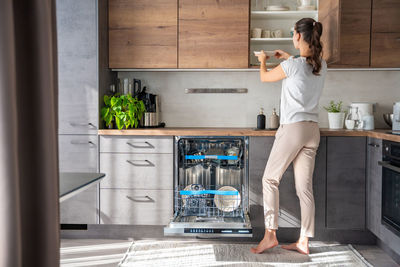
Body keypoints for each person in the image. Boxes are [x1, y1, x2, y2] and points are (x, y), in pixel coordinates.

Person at [250, 18, 327, 255]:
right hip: (313, 130)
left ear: (297, 37)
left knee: (269, 180)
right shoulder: (321, 65)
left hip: (293, 129)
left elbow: (265, 77)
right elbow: (300, 67)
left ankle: (270, 235)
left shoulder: (294, 65)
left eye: (293, 33)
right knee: (304, 189)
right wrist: (286, 57)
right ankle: (304, 241)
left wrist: (263, 60)